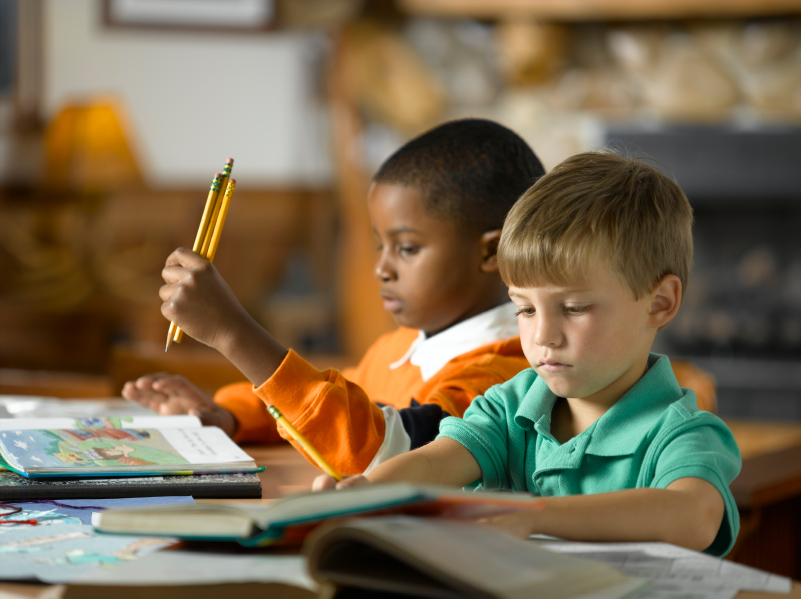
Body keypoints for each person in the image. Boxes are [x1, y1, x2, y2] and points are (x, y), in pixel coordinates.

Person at [314, 151, 742, 557]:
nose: (543, 335)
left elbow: (694, 516)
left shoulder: (682, 432)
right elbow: (432, 463)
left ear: (660, 302)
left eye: (574, 308)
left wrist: (534, 517)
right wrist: (368, 491)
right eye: (524, 308)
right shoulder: (510, 408)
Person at [123, 119, 545, 475]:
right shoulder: (399, 349)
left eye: (408, 248)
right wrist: (228, 416)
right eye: (381, 245)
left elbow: (384, 454)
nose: (382, 268)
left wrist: (234, 333)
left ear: (490, 251)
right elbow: (329, 403)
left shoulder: (509, 371)